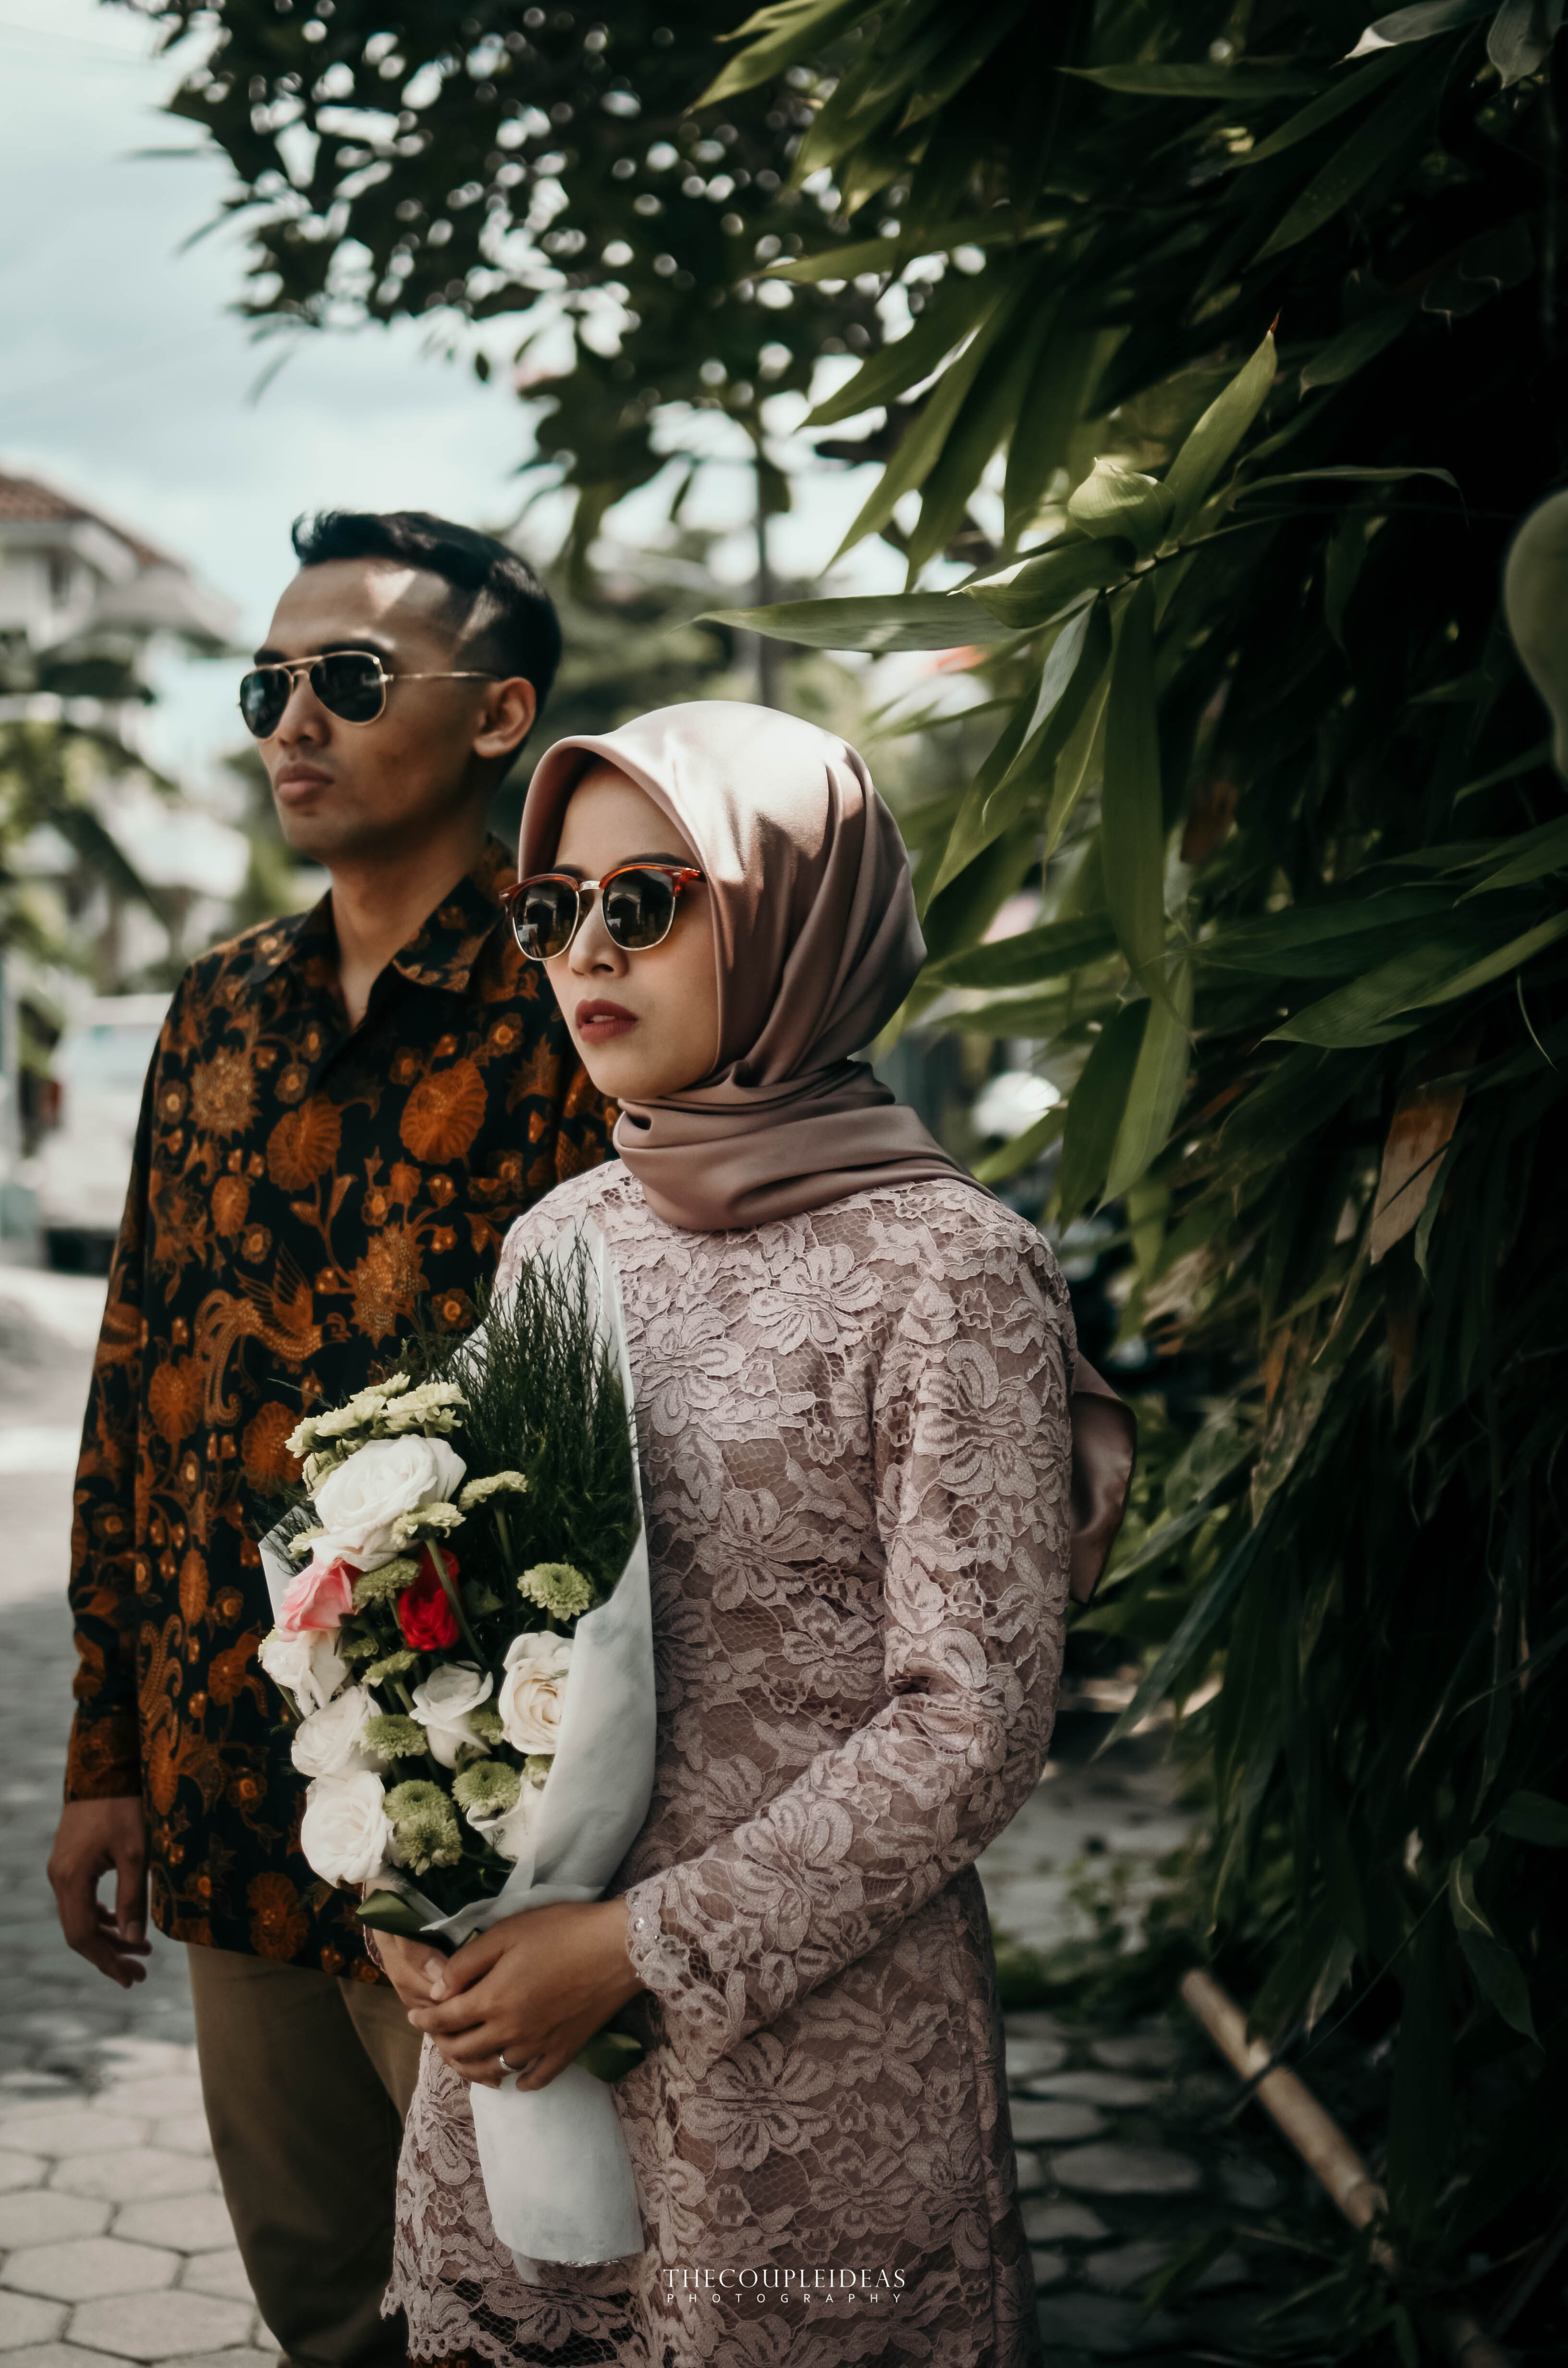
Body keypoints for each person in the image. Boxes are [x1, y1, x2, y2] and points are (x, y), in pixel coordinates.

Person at [377, 700, 1123, 2368]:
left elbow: (974, 1725)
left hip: (810, 2060)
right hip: (528, 2035)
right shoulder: (560, 1241)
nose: (586, 950)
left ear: (800, 918)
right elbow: (471, 1623)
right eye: (552, 908)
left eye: (645, 900)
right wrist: (414, 1875)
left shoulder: (952, 1270)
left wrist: (637, 1950)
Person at [48, 511, 612, 2368]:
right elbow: (140, 1384)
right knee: (329, 2312)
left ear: (498, 714)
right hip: (230, 1789)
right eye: (268, 684)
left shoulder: (586, 995)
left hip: (500, 1824)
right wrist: (105, 1752)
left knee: (553, 2313)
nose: (293, 720)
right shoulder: (215, 1011)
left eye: (350, 680)